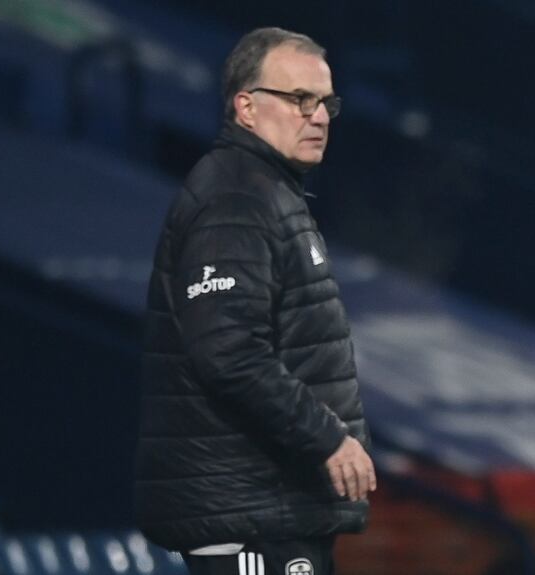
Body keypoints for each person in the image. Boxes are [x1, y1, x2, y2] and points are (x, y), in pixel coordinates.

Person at [135, 27, 375, 575]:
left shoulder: (267, 193)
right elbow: (229, 351)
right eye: (299, 99)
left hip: (271, 506)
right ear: (246, 106)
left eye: (326, 102)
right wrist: (326, 438)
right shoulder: (236, 200)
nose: (318, 116)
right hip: (248, 511)